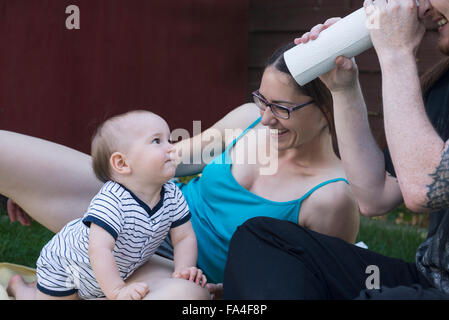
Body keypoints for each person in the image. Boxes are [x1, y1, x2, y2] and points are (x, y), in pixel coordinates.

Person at [0, 42, 359, 299]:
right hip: (136, 211)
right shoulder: (251, 121)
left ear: (326, 105)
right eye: (261, 100)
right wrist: (31, 190)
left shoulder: (332, 197)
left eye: (281, 108)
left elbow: (304, 286)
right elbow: (170, 158)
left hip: (176, 274)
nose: (266, 117)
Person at [223, 0, 449, 299]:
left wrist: (396, 54)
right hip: (428, 276)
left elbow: (424, 188)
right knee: (263, 237)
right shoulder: (443, 86)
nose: (425, 5)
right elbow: (374, 196)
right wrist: (343, 85)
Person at [7, 110, 207, 300]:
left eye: (169, 139)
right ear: (122, 163)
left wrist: (184, 268)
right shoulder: (112, 201)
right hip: (67, 268)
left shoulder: (172, 194)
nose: (171, 147)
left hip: (117, 268)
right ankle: (21, 289)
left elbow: (184, 237)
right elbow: (99, 250)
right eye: (157, 141)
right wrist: (117, 291)